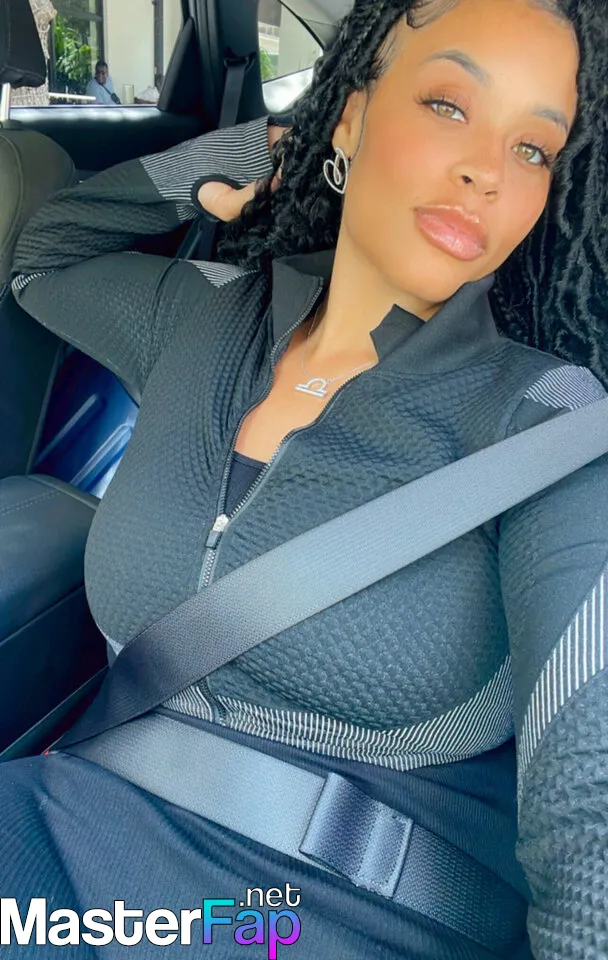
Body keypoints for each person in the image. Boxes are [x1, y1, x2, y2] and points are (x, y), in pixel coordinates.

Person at [4, 0, 608, 956]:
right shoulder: (207, 315)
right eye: (448, 105)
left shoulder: (546, 419)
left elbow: (592, 809)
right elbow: (46, 256)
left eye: (533, 149)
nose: (487, 170)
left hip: (327, 915)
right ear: (353, 115)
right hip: (63, 829)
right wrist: (257, 147)